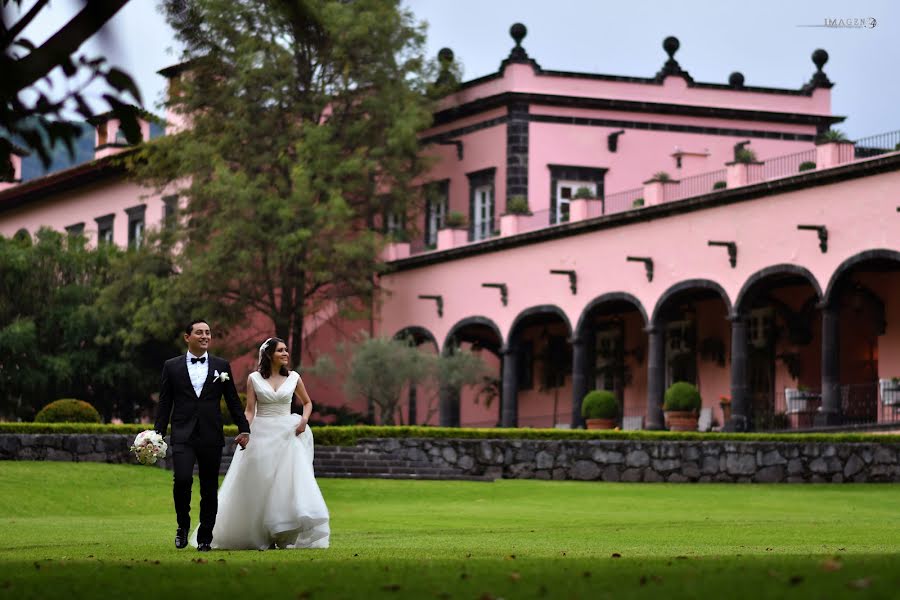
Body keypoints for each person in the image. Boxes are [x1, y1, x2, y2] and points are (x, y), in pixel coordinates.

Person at [193, 337, 330, 550]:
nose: (285, 354)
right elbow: (250, 410)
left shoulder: (294, 377)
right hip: (262, 432)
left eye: (286, 350)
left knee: (285, 484)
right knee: (261, 482)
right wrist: (245, 430)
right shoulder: (254, 379)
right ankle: (259, 533)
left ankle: (283, 533)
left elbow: (307, 402)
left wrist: (304, 420)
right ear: (269, 355)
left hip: (288, 433)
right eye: (281, 351)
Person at [154, 319, 251, 552]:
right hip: (182, 434)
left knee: (209, 487)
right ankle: (182, 526)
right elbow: (165, 402)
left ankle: (205, 536)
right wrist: (157, 434)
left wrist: (244, 428)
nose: (205, 336)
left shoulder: (222, 366)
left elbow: (233, 401)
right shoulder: (171, 366)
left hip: (210, 434)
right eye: (199, 333)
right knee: (183, 480)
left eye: (208, 333)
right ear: (187, 337)